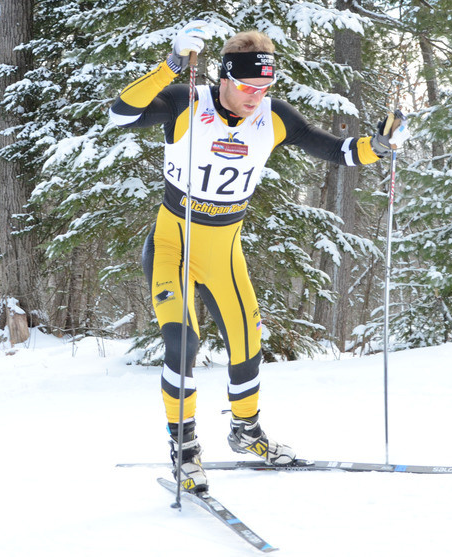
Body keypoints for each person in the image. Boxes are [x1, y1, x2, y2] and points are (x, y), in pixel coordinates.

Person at [109, 20, 408, 492]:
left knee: (248, 345)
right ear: (224, 77)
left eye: (265, 86)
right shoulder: (186, 102)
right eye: (248, 86)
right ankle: (184, 450)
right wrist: (170, 65)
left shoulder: (274, 116)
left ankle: (246, 433)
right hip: (173, 246)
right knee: (183, 344)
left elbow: (337, 151)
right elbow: (121, 114)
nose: (257, 96)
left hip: (224, 253)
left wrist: (380, 146)